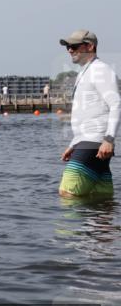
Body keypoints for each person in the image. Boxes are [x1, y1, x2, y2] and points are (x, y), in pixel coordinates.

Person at [58, 30, 119, 198]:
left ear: (90, 46)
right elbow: (88, 113)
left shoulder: (101, 71)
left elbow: (116, 104)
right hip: (88, 142)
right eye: (68, 47)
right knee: (100, 202)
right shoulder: (85, 72)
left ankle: (68, 225)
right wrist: (74, 143)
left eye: (75, 46)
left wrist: (109, 139)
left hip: (95, 142)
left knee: (67, 192)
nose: (70, 50)